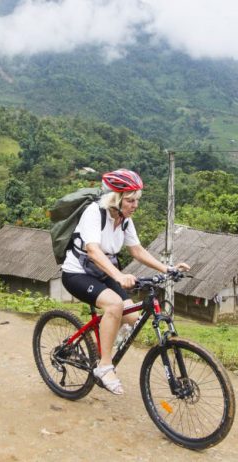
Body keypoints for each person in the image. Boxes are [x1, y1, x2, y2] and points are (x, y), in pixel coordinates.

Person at [61, 169, 190, 395]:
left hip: (103, 273)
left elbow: (137, 250)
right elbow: (92, 251)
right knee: (114, 305)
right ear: (115, 199)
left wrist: (167, 268)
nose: (135, 205)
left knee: (131, 317)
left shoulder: (125, 221)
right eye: (130, 200)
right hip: (77, 273)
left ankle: (99, 339)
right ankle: (104, 366)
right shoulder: (94, 212)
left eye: (137, 200)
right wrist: (119, 276)